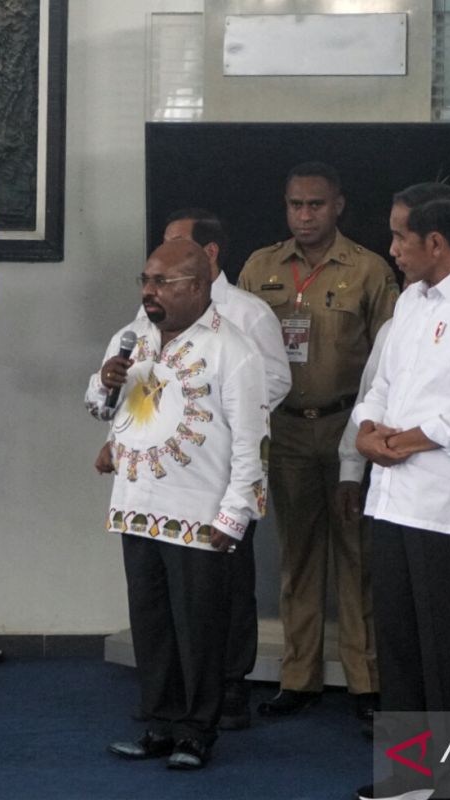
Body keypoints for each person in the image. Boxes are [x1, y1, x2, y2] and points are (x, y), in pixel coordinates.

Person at [352, 183, 450, 800]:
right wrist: (367, 433)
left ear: (436, 242)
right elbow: (379, 385)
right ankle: (408, 771)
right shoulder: (408, 305)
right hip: (390, 497)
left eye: (400, 236)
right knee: (397, 639)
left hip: (447, 504)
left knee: (447, 644)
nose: (391, 248)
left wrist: (402, 443)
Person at [87, 240, 268, 770]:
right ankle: (161, 723)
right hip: (138, 505)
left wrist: (236, 514)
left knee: (200, 627)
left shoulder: (233, 350)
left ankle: (197, 730)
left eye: (162, 282)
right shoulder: (132, 339)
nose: (149, 291)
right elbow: (102, 408)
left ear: (199, 285)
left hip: (200, 511)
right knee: (152, 622)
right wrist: (105, 383)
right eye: (145, 280)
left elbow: (251, 442)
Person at [238, 161, 397, 724]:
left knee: (358, 555)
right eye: (295, 205)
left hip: (349, 427)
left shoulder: (371, 269)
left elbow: (392, 360)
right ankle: (298, 676)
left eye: (316, 205)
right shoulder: (260, 267)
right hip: (284, 428)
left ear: (338, 206)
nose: (305, 215)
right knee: (298, 556)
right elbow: (235, 350)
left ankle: (366, 683)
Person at [159, 208, 290, 730]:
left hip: (231, 461)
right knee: (179, 582)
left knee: (232, 578)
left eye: (176, 246)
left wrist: (223, 415)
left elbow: (275, 380)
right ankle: (181, 687)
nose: (164, 257)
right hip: (176, 469)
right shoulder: (159, 309)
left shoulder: (248, 312)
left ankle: (232, 683)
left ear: (209, 254)